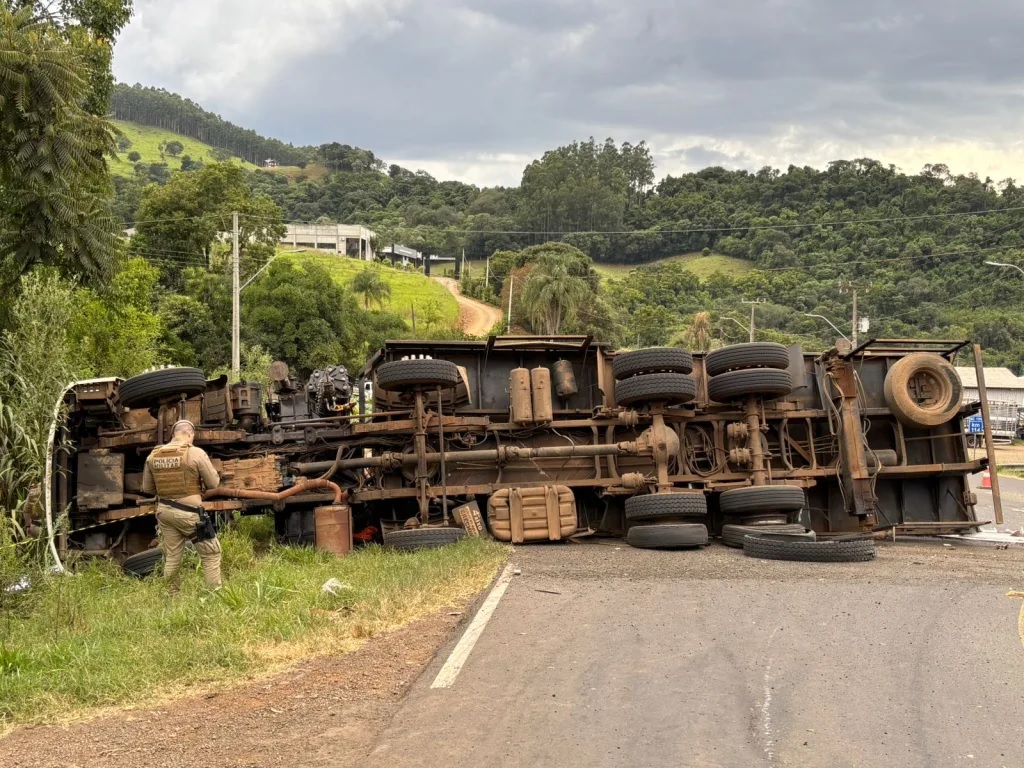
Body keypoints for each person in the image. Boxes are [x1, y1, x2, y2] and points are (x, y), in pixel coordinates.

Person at [142, 419, 223, 592]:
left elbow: (148, 489)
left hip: (164, 513)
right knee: (211, 553)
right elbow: (214, 483)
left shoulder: (153, 455)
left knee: (172, 557)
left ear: (173, 435)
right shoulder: (195, 453)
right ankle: (213, 596)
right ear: (190, 434)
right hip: (189, 514)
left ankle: (172, 596)